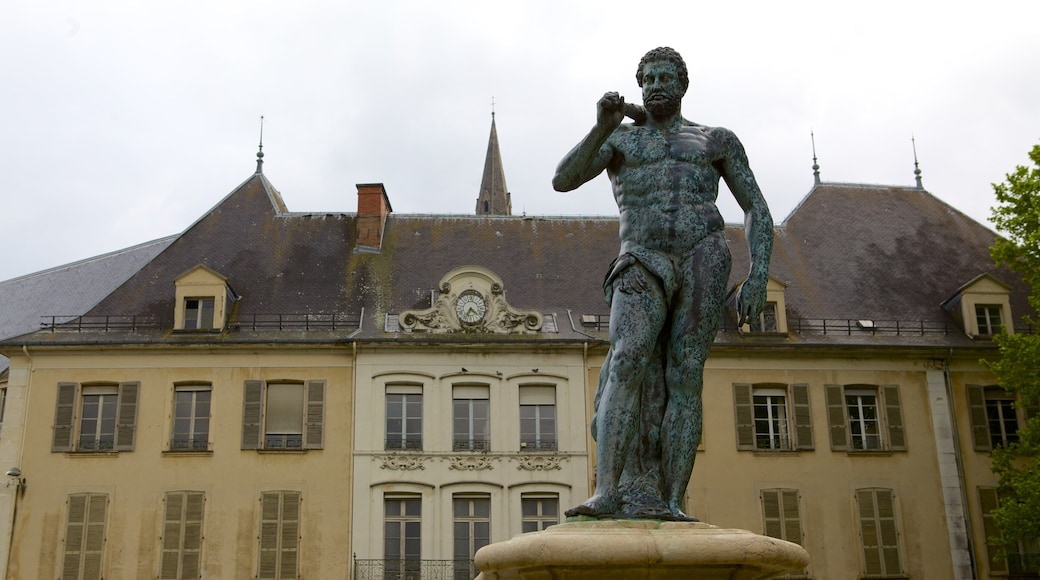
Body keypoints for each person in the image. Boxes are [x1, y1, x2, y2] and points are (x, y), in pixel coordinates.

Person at [553, 47, 773, 520]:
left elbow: (755, 206)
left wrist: (759, 273)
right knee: (628, 359)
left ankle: (673, 500)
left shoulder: (715, 139)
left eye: (664, 77)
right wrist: (601, 126)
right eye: (647, 78)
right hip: (641, 257)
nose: (654, 84)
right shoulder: (622, 141)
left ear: (682, 84)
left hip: (703, 254)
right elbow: (562, 180)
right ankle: (606, 490)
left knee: (686, 373)